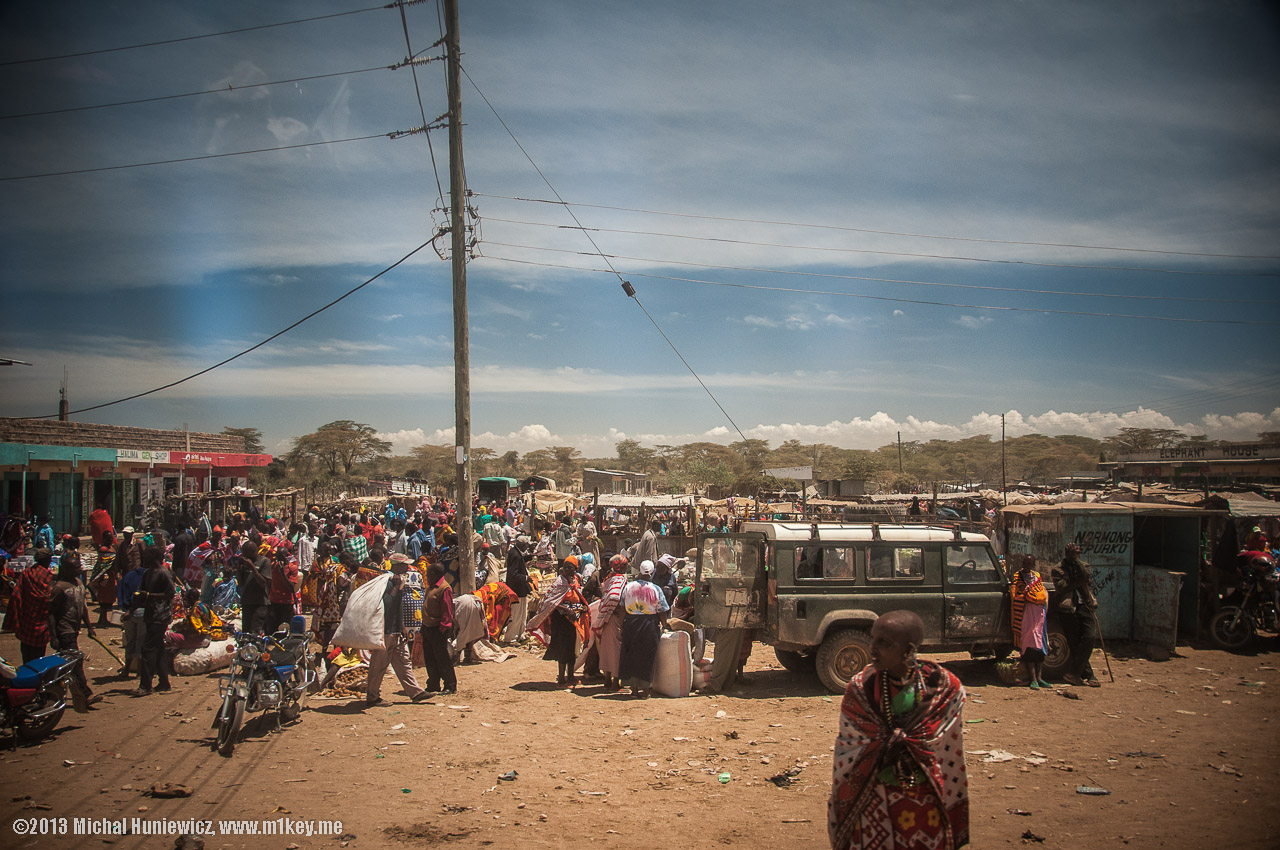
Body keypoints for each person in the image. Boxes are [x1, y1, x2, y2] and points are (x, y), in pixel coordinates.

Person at [828, 610, 969, 850]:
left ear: (908, 650)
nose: (873, 648)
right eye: (873, 639)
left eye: (884, 643)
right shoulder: (862, 689)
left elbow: (947, 752)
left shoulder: (944, 688)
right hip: (874, 798)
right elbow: (850, 747)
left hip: (926, 799)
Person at [365, 555, 430, 707]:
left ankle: (415, 692)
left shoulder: (399, 580)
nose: (408, 568)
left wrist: (402, 628)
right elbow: (386, 604)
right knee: (379, 663)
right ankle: (372, 696)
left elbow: (398, 606)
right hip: (386, 630)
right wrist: (395, 587)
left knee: (404, 661)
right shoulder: (387, 582)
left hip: (396, 630)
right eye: (405, 565)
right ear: (397, 566)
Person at [47, 552, 102, 705]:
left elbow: (82, 607)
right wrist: (53, 636)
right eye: (76, 567)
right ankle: (85, 694)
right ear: (66, 569)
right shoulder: (59, 588)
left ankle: (52, 695)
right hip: (64, 630)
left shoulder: (78, 583)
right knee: (74, 663)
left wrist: (89, 627)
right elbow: (50, 613)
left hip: (74, 628)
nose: (79, 569)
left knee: (65, 664)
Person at [528, 558, 590, 686]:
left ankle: (571, 676)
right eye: (565, 567)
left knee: (572, 647)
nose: (567, 569)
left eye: (570, 567)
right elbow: (549, 602)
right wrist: (567, 610)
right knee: (563, 648)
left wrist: (580, 608)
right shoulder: (559, 582)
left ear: (576, 568)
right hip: (561, 620)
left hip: (572, 620)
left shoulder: (575, 580)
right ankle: (562, 678)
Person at [618, 560, 670, 698]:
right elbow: (662, 610)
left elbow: (622, 607)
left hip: (631, 623)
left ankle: (634, 689)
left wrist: (621, 625)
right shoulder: (656, 589)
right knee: (647, 656)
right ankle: (646, 690)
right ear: (652, 572)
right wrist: (665, 625)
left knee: (631, 655)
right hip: (649, 624)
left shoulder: (629, 587)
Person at [1051, 543, 1100, 687]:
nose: (1075, 554)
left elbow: (1087, 577)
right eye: (1072, 552)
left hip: (1085, 605)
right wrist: (1078, 582)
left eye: (1077, 552)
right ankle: (1088, 674)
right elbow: (1061, 588)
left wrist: (1076, 562)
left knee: (1090, 637)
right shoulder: (1058, 569)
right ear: (1066, 553)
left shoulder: (1083, 565)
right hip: (1067, 608)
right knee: (1074, 642)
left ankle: (1074, 673)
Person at [135, 545, 176, 695]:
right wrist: (131, 610)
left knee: (148, 649)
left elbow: (170, 594)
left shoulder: (163, 573)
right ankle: (164, 682)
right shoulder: (148, 573)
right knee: (158, 650)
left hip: (161, 616)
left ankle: (145, 686)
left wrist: (149, 596)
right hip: (150, 615)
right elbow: (141, 594)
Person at [8, 548, 55, 663]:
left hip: (27, 620)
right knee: (38, 656)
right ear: (47, 560)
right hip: (42, 623)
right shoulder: (49, 577)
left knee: (26, 654)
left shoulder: (26, 573)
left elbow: (16, 596)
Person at [1010, 556, 1050, 689]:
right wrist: (1025, 595)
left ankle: (1039, 678)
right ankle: (1032, 679)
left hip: (1039, 614)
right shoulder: (1018, 576)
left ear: (1033, 564)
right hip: (1026, 613)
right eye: (1025, 563)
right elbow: (1014, 594)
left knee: (1040, 646)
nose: (1027, 565)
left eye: (1030, 563)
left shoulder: (1037, 576)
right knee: (1029, 644)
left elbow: (1042, 592)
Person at [421, 562, 457, 695]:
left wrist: (443, 630)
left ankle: (450, 685)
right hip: (428, 627)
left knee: (442, 658)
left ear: (435, 574)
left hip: (438, 629)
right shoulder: (431, 587)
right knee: (430, 658)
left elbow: (447, 612)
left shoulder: (444, 588)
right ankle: (433, 683)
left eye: (429, 574)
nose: (427, 576)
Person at [594, 555, 629, 690]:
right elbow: (616, 598)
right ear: (621, 567)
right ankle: (615, 682)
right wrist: (619, 616)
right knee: (616, 651)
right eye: (625, 565)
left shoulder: (609, 578)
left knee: (606, 649)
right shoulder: (620, 580)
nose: (627, 567)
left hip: (606, 620)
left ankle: (607, 679)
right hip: (615, 620)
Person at [235, 539, 272, 635]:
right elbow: (241, 583)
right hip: (247, 602)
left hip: (260, 603)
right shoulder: (244, 563)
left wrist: (252, 567)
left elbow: (263, 583)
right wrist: (239, 568)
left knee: (256, 632)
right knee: (246, 633)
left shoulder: (264, 561)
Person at [501, 536, 533, 644]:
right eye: (526, 545)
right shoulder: (514, 554)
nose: (527, 547)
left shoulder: (515, 552)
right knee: (516, 615)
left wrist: (530, 557)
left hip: (520, 590)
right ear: (521, 545)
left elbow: (520, 561)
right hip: (517, 590)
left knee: (522, 613)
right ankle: (511, 638)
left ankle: (520, 635)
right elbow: (512, 574)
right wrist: (525, 578)